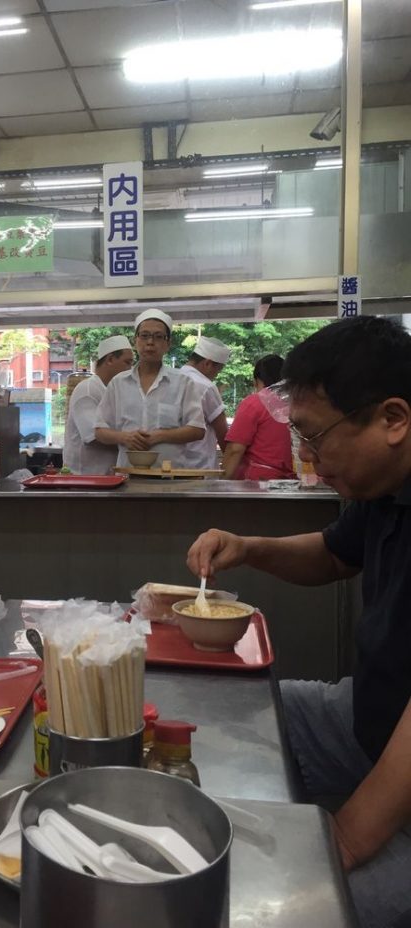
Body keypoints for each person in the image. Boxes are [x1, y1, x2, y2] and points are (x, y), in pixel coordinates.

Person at [186, 315, 411, 928]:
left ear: (393, 420)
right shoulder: (384, 488)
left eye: (315, 437)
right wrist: (250, 547)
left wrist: (340, 845)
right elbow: (337, 554)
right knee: (240, 717)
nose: (306, 457)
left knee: (299, 910)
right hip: (371, 720)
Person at [95, 308, 206, 469]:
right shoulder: (118, 384)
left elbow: (197, 429)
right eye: (145, 335)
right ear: (136, 341)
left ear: (168, 343)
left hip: (170, 479)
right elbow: (100, 430)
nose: (150, 342)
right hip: (128, 476)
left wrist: (160, 436)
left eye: (158, 337)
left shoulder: (183, 382)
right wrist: (124, 438)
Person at [62, 335, 134, 474]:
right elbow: (94, 436)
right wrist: (131, 442)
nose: (130, 369)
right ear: (110, 359)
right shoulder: (88, 390)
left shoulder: (113, 392)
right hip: (86, 479)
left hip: (108, 477)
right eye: (127, 363)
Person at [222, 354, 295, 480]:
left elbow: (235, 449)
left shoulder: (254, 403)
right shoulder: (298, 403)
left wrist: (222, 481)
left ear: (256, 381)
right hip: (293, 481)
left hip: (258, 483)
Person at [179, 335, 231, 469]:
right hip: (201, 468)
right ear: (207, 363)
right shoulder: (206, 386)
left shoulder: (172, 380)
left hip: (173, 466)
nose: (216, 375)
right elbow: (223, 433)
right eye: (218, 370)